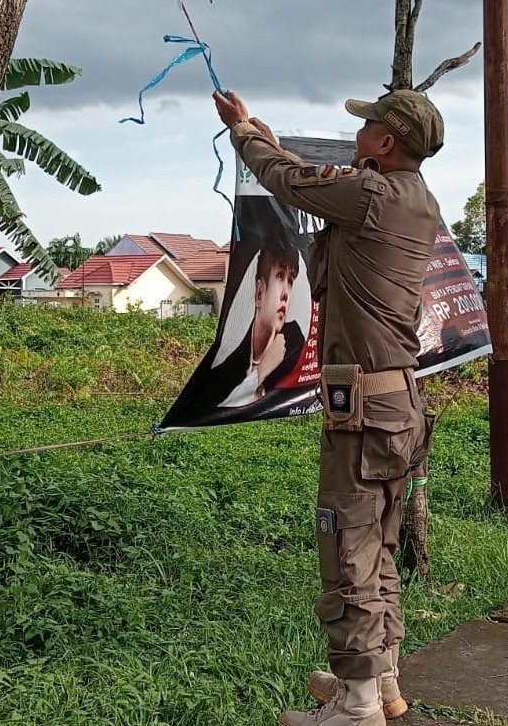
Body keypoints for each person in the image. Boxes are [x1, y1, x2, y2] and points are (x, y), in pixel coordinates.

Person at [213, 86, 444, 726]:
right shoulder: (414, 200)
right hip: (399, 400)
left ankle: (358, 704)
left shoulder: (369, 195)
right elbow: (313, 187)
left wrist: (244, 131)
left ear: (387, 141)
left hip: (365, 406)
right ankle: (382, 678)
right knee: (379, 543)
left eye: (367, 125)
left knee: (346, 543)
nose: (357, 135)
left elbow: (288, 180)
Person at [214, 228, 307, 408]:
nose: (286, 294)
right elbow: (218, 408)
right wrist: (261, 372)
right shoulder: (226, 367)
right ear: (259, 293)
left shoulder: (295, 346)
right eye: (280, 276)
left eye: (290, 280)